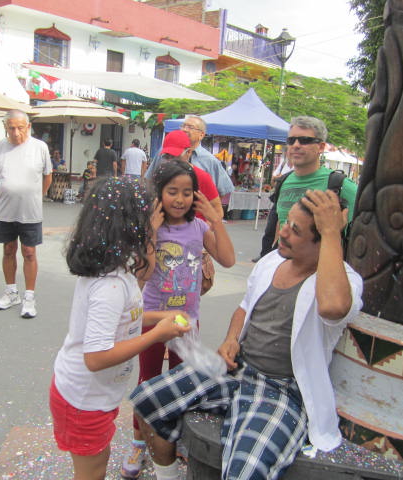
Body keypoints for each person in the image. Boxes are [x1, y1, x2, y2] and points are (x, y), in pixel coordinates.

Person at [131, 190, 363, 480]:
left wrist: (332, 233)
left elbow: (333, 307)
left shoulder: (344, 281)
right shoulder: (271, 262)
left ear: (323, 242)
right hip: (237, 368)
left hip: (282, 391)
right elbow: (244, 309)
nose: (283, 232)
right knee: (146, 400)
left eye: (295, 230)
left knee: (245, 472)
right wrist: (231, 339)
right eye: (286, 222)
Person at [50, 176, 190, 480]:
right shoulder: (110, 285)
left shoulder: (116, 266)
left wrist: (158, 318)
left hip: (94, 396)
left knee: (99, 460)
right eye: (145, 216)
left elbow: (127, 316)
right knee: (91, 472)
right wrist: (157, 335)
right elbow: (96, 357)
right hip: (84, 400)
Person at [121, 159, 236, 478]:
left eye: (187, 192)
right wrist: (152, 233)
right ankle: (139, 442)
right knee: (147, 379)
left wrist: (215, 219)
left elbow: (228, 259)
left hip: (188, 321)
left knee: (183, 382)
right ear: (159, 193)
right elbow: (142, 274)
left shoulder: (200, 228)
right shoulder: (150, 228)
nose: (180, 198)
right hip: (154, 318)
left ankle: (175, 442)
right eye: (173, 191)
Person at [252, 116, 358, 262]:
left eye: (305, 140)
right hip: (285, 268)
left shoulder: (340, 185)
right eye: (291, 140)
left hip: (322, 272)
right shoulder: (284, 181)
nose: (296, 145)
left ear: (320, 147)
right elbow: (280, 222)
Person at [0, 110, 52, 319]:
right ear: (6, 127)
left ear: (28, 127)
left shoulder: (40, 148)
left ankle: (29, 298)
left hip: (30, 211)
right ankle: (11, 292)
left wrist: (36, 197)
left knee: (29, 252)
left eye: (20, 128)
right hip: (5, 210)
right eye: (11, 128)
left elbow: (48, 177)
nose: (15, 133)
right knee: (8, 249)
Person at [146, 116, 234, 198]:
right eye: (183, 126)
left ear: (201, 135)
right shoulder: (165, 150)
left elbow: (224, 190)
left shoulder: (210, 161)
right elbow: (149, 179)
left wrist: (206, 210)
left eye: (190, 127)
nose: (184, 129)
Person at [155, 129, 224, 220]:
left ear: (189, 152)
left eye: (175, 156)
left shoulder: (202, 177)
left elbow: (218, 211)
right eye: (167, 157)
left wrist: (204, 229)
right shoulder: (161, 175)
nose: (170, 161)